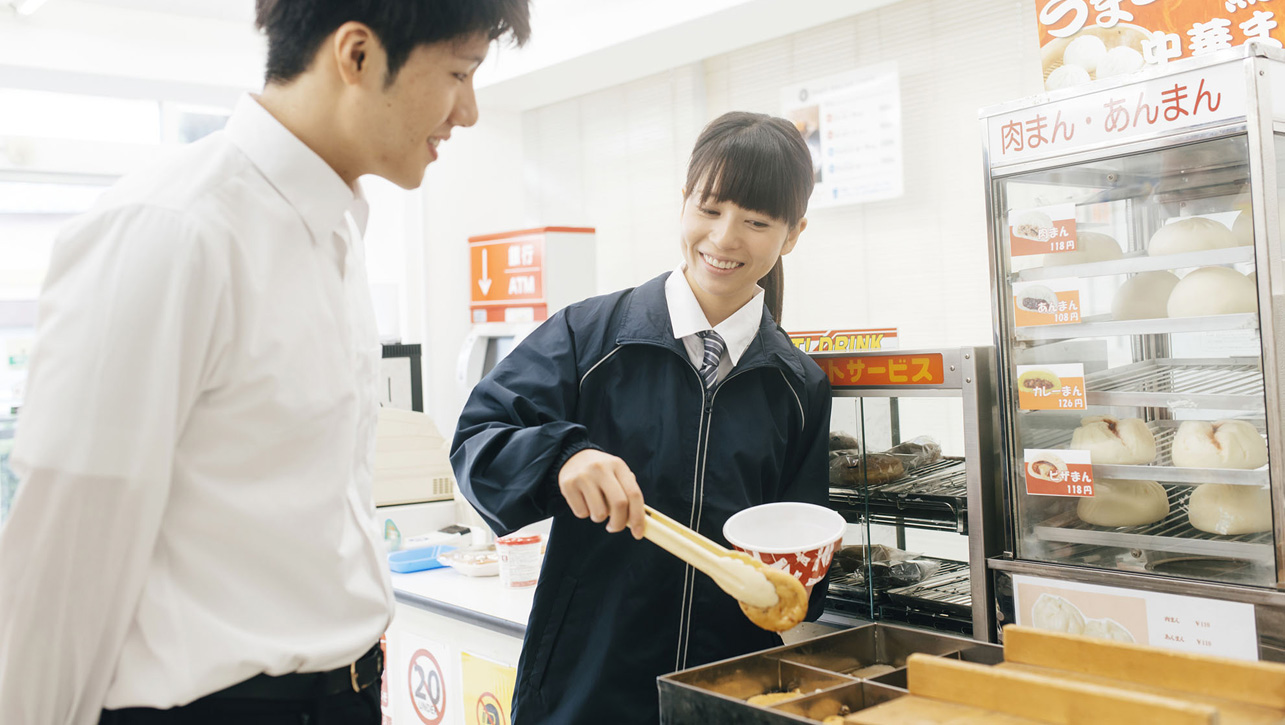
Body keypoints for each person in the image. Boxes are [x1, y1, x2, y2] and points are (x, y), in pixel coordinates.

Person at [0, 2, 529, 724]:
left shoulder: (334, 233)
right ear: (357, 56)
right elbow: (66, 553)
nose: (467, 111)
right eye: (459, 73)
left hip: (344, 688)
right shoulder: (174, 229)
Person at [451, 111, 832, 724]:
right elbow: (478, 440)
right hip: (587, 690)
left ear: (793, 234)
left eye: (757, 222)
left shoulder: (799, 386)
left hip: (732, 696)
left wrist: (802, 579)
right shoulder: (589, 336)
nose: (726, 237)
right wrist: (562, 457)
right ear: (683, 203)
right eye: (710, 209)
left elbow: (802, 555)